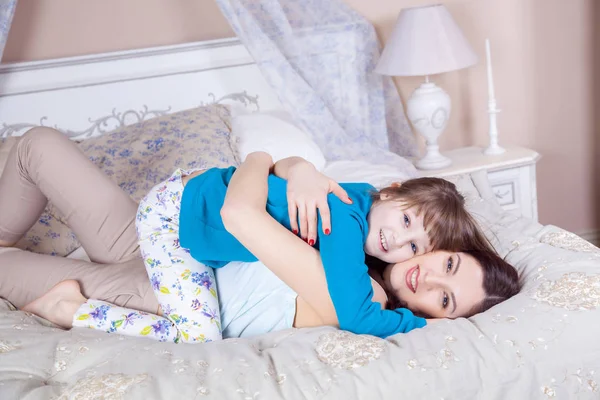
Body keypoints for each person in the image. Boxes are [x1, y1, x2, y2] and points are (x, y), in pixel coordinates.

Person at [1, 128, 520, 343]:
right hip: (171, 240)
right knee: (39, 144)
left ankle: (69, 309)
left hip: (158, 291)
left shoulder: (365, 297)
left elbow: (242, 215)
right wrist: (294, 167)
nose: (424, 273)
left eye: (444, 300)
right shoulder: (353, 229)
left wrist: (261, 158)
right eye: (446, 265)